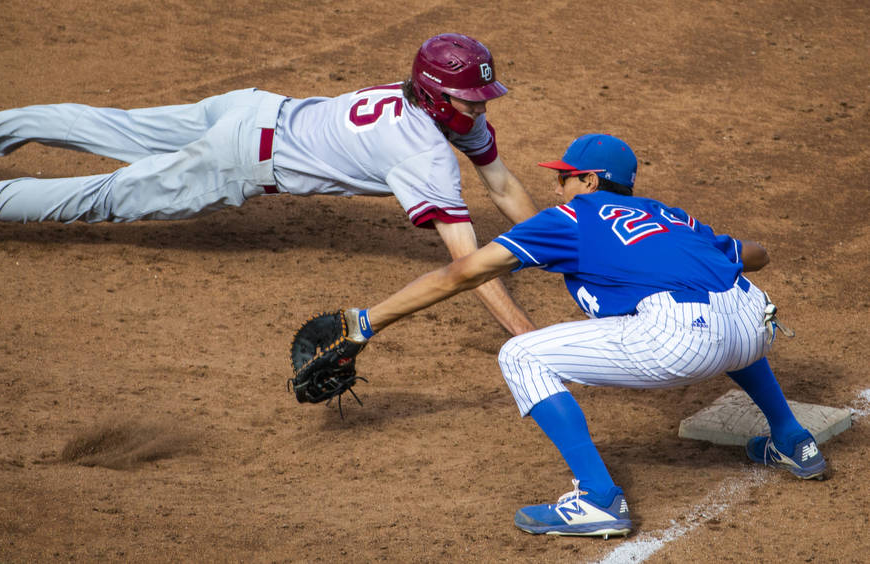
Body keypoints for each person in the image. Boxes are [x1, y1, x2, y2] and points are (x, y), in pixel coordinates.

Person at [0, 33, 537, 336]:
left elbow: (503, 185)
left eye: (481, 97)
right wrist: (523, 329)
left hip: (250, 107)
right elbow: (465, 263)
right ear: (436, 93)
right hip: (235, 159)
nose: (480, 107)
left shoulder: (426, 109)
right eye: (470, 97)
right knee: (100, 195)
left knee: (111, 127)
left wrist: (560, 236)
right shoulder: (423, 149)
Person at [332, 133, 826, 538]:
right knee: (719, 305)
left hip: (685, 339)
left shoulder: (569, 218)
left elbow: (464, 273)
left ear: (589, 181)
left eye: (564, 178)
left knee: (523, 356)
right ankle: (793, 440)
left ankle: (597, 500)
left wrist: (370, 320)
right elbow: (755, 254)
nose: (557, 188)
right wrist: (721, 255)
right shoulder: (671, 215)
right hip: (757, 320)